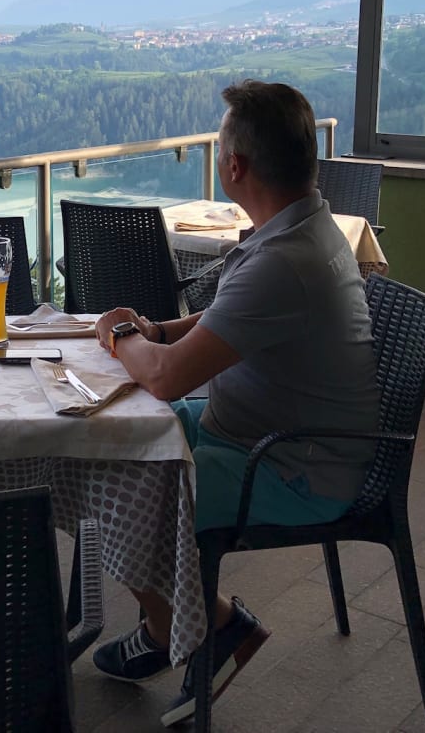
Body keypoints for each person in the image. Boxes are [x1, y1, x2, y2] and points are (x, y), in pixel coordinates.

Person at [90, 79, 379, 727]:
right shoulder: (300, 227)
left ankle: (217, 629)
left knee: (122, 490)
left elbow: (165, 379)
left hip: (292, 467)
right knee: (110, 448)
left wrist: (123, 334)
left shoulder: (286, 258)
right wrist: (160, 329)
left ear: (234, 166)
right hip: (255, 431)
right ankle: (169, 628)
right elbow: (228, 317)